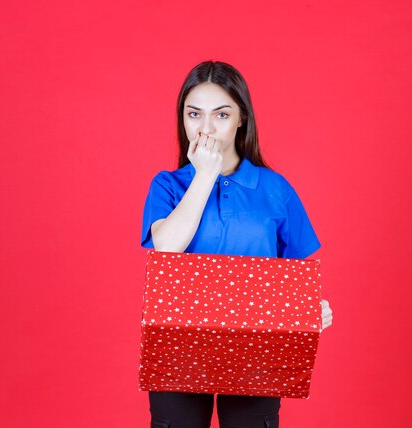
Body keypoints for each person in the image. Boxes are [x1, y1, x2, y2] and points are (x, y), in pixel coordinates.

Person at [140, 60, 333, 428]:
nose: (207, 127)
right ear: (182, 118)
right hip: (179, 343)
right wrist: (204, 175)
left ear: (242, 118)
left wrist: (310, 310)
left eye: (222, 114)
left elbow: (295, 276)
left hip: (257, 347)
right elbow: (166, 249)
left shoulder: (276, 189)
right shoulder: (166, 186)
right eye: (194, 114)